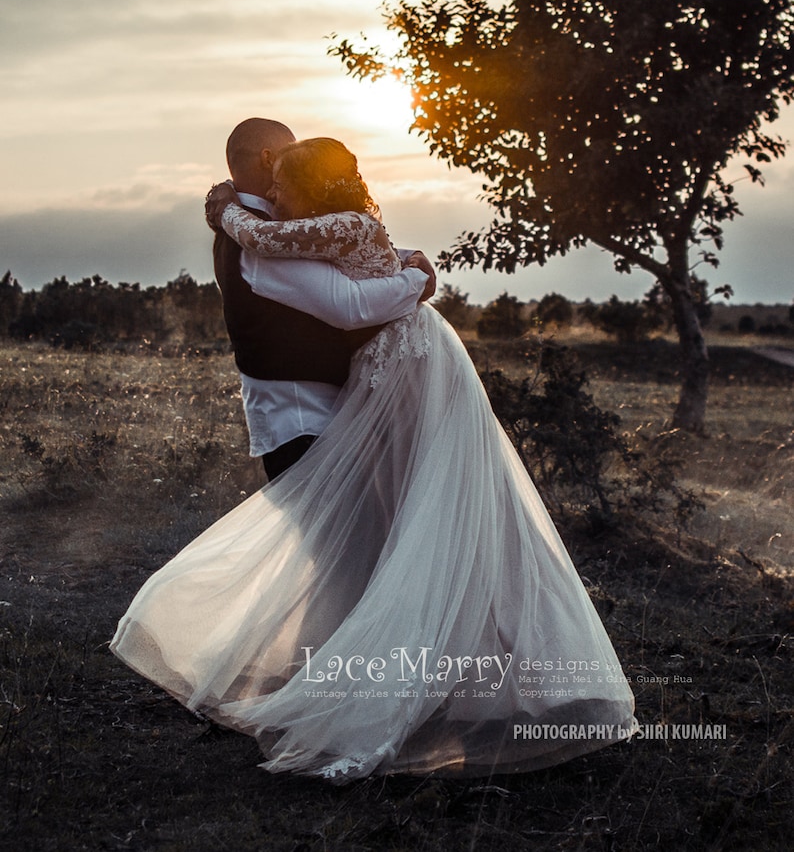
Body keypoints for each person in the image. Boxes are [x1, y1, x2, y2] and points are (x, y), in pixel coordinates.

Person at [111, 137, 637, 783]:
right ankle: (437, 680)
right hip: (387, 374)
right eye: (268, 182)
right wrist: (410, 273)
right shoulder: (318, 230)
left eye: (284, 184)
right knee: (408, 527)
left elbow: (342, 292)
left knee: (424, 523)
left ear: (312, 187)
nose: (274, 197)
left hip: (410, 368)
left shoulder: (335, 225)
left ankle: (487, 681)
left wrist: (228, 210)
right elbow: (331, 275)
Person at [211, 117, 435, 480]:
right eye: (291, 152)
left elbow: (344, 254)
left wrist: (407, 260)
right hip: (300, 419)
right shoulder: (252, 238)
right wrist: (416, 279)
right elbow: (350, 305)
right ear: (270, 159)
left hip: (329, 407)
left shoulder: (273, 222)